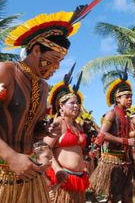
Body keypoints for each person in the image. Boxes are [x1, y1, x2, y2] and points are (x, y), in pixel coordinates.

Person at [0, 10, 82, 203]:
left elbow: (31, 129)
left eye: (60, 62)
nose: (56, 67)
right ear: (35, 51)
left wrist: (46, 130)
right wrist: (11, 157)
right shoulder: (3, 70)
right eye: (53, 60)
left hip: (28, 172)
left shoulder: (43, 87)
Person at [89, 70, 135, 203]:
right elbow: (102, 134)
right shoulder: (111, 114)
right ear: (117, 98)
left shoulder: (127, 117)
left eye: (131, 97)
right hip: (113, 159)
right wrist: (95, 147)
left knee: (127, 195)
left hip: (126, 160)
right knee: (114, 196)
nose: (130, 100)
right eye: (126, 97)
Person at [44, 68, 89, 203]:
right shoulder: (58, 123)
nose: (76, 106)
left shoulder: (78, 126)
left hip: (79, 179)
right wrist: (57, 170)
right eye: (72, 103)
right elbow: (44, 149)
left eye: (77, 103)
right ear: (61, 106)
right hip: (62, 180)